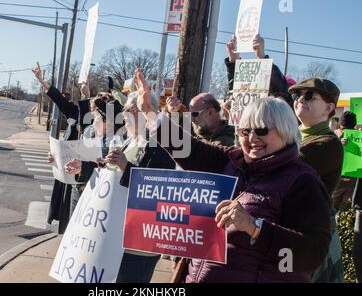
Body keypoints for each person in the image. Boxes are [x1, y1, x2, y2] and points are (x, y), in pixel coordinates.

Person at [136, 68, 331, 282]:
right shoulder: (233, 160)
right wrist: (149, 113)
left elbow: (313, 254)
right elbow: (188, 149)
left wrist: (255, 227)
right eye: (245, 131)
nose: (252, 138)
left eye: (262, 130)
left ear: (285, 130)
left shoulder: (302, 180)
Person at [102, 92, 176, 283]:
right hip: (118, 236)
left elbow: (157, 189)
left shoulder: (160, 145)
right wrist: (88, 167)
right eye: (124, 109)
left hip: (139, 245)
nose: (124, 114)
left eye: (129, 109)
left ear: (146, 112)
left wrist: (126, 167)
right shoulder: (130, 141)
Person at [288, 78, 344, 283]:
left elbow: (283, 166)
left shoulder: (328, 144)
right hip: (293, 231)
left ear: (329, 108)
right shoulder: (291, 136)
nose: (300, 99)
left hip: (311, 236)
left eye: (309, 95)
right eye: (297, 95)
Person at [32, 63, 92, 234]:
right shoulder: (73, 112)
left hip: (77, 174)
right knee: (63, 212)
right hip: (64, 171)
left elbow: (85, 120)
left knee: (70, 212)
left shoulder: (91, 122)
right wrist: (42, 80)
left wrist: (86, 95)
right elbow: (58, 98)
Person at [166, 93, 235, 146]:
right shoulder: (201, 129)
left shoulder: (223, 143)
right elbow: (177, 131)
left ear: (210, 112)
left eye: (194, 114)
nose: (192, 119)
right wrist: (173, 110)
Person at [332, 111, 358, 211]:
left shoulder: (334, 134)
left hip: (346, 178)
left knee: (339, 210)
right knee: (344, 210)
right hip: (344, 178)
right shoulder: (334, 135)